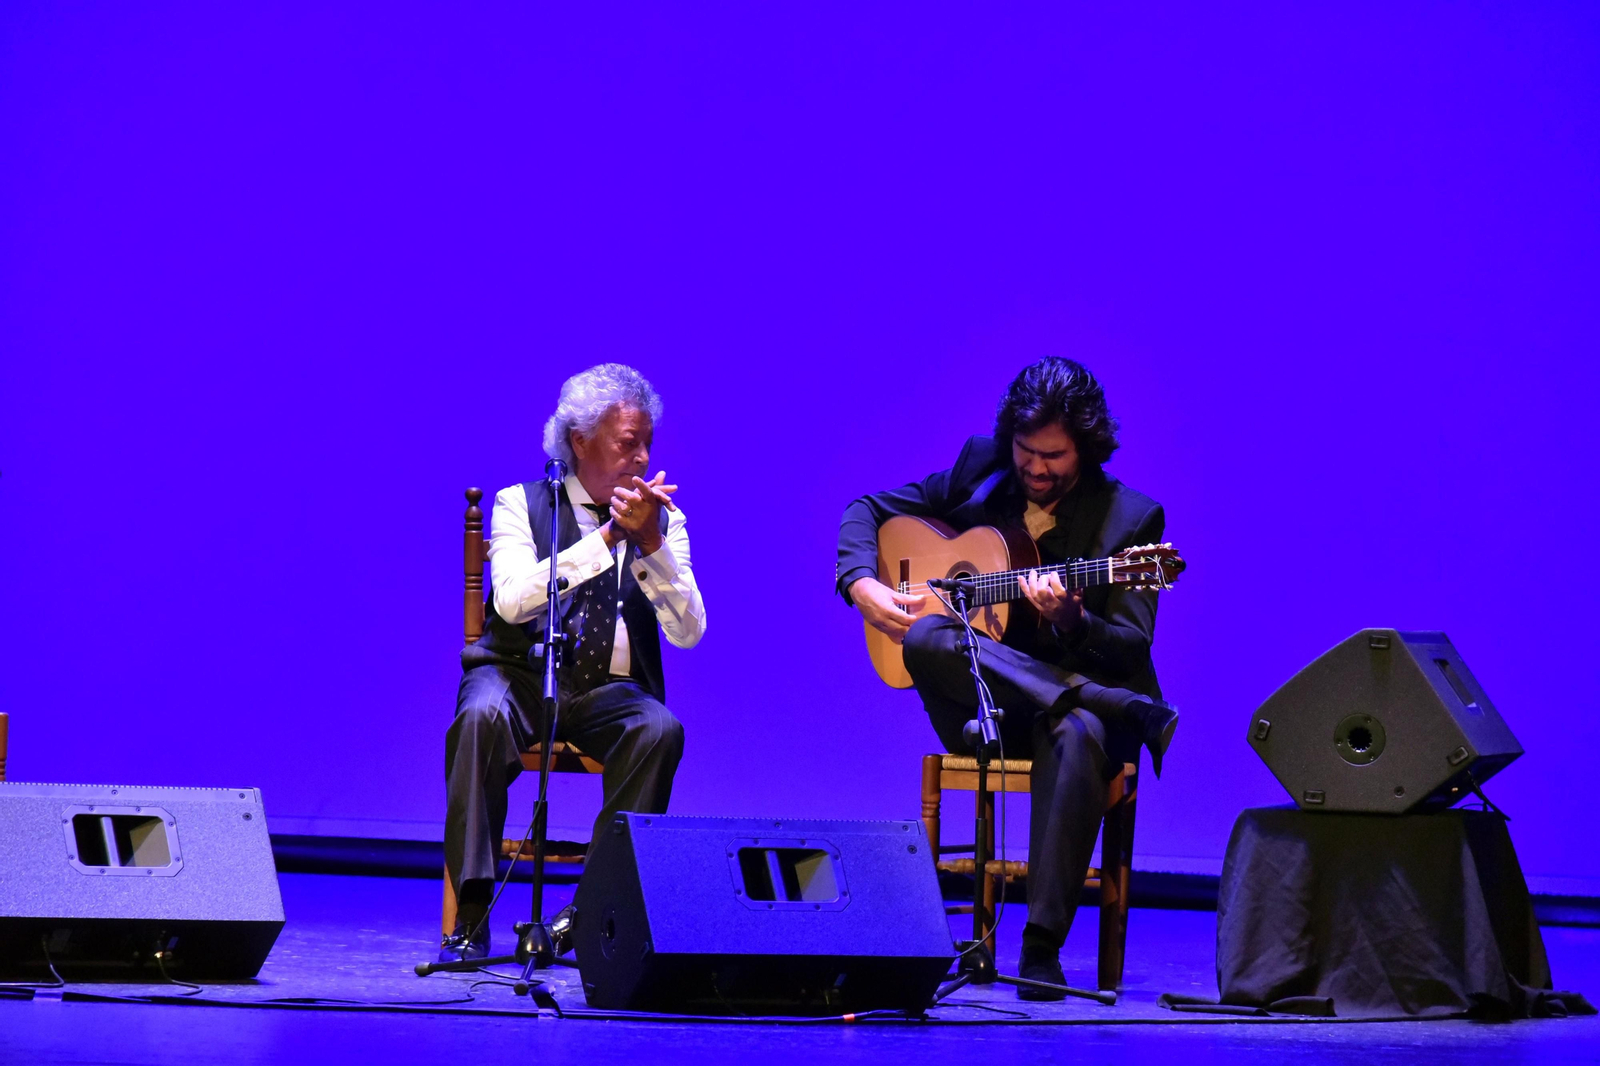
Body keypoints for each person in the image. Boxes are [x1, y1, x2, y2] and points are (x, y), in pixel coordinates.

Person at [836, 357, 1176, 999]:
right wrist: (861, 584)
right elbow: (866, 509)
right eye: (1026, 451)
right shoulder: (979, 468)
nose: (1037, 468)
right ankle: (1097, 701)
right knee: (933, 633)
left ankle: (1040, 950)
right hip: (980, 707)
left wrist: (1075, 622)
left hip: (1071, 724)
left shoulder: (1130, 521)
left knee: (1077, 728)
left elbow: (1132, 646)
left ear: (1088, 447)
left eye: (1055, 456)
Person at [441, 363, 706, 962]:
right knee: (479, 718)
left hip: (606, 691)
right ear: (580, 440)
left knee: (659, 729)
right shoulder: (518, 504)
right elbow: (509, 600)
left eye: (647, 444)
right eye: (626, 442)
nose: (641, 458)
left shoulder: (667, 524)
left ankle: (586, 914)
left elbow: (689, 633)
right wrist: (608, 539)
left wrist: (650, 546)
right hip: (516, 674)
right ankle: (474, 915)